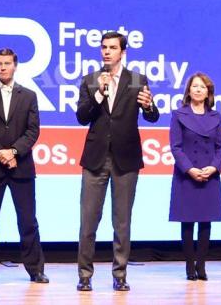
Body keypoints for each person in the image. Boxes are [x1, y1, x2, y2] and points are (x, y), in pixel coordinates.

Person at [75, 31, 160, 292]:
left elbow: (152, 116)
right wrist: (99, 95)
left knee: (122, 222)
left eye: (112, 47)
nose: (106, 52)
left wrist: (149, 106)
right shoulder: (91, 80)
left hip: (126, 157)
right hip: (95, 158)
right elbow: (82, 116)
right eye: (104, 47)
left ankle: (120, 274)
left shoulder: (137, 80)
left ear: (122, 52)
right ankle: (85, 275)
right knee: (88, 221)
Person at [0, 48, 48, 284]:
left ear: (15, 66)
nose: (3, 67)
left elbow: (33, 130)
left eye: (7, 63)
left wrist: (13, 151)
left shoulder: (29, 96)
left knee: (28, 221)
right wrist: (1, 154)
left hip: (21, 166)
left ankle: (35, 269)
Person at [169, 72, 221, 281]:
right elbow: (176, 147)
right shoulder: (178, 114)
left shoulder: (215, 116)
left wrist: (213, 167)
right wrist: (190, 169)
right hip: (186, 175)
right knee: (187, 221)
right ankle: (189, 266)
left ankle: (201, 266)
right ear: (189, 90)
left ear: (208, 92)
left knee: (205, 221)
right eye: (195, 86)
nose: (198, 90)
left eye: (202, 87)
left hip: (209, 174)